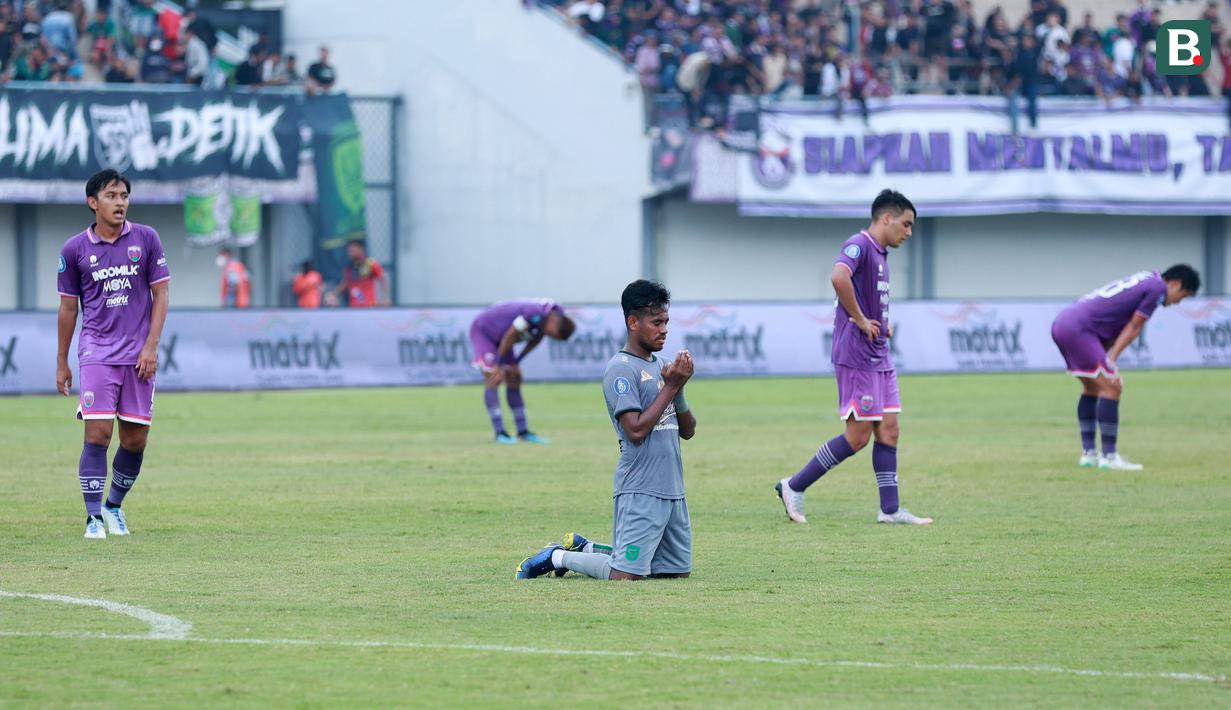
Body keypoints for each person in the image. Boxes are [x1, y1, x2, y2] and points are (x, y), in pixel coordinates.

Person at [516, 280, 697, 580]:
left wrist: (678, 388)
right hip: (640, 488)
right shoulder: (621, 369)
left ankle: (588, 549)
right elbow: (635, 431)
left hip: (673, 490)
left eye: (666, 321)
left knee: (675, 574)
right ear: (633, 322)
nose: (664, 329)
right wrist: (672, 385)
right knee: (624, 575)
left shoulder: (664, 366)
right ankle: (558, 556)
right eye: (656, 322)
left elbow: (688, 431)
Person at [776, 190, 932, 526]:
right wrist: (860, 320)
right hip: (857, 356)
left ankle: (889, 509)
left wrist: (880, 326)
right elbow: (838, 276)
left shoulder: (881, 253)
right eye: (905, 224)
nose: (908, 232)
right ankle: (793, 485)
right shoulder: (859, 244)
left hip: (880, 355)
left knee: (889, 430)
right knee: (859, 436)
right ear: (886, 218)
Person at [56, 169, 170, 540]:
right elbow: (68, 309)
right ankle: (92, 518)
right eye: (111, 195)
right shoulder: (74, 249)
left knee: (135, 439)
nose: (120, 202)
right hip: (97, 352)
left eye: (124, 195)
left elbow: (161, 295)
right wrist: (62, 360)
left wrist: (151, 346)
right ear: (93, 202)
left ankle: (113, 507)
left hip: (138, 355)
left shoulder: (146, 239)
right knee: (99, 432)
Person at [1050, 266, 1200, 471]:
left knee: (1093, 388)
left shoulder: (1147, 278)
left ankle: (1089, 455)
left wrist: (1107, 354)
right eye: (1181, 297)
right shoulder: (1158, 288)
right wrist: (1112, 359)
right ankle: (1109, 456)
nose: (1176, 302)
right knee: (1113, 387)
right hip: (1079, 328)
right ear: (1175, 284)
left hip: (1065, 321)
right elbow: (1135, 326)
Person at [469, 298, 577, 444]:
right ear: (553, 322)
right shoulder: (534, 313)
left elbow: (536, 338)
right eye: (552, 334)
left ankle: (523, 432)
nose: (549, 336)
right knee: (493, 376)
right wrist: (500, 365)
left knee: (514, 378)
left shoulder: (554, 317)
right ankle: (500, 433)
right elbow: (511, 335)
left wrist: (516, 363)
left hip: (504, 338)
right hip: (485, 330)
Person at [330, 239, 389, 307]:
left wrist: (385, 298)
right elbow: (345, 282)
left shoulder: (370, 263)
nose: (350, 253)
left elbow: (382, 279)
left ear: (361, 249)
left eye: (353, 250)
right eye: (349, 251)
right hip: (353, 306)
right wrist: (334, 295)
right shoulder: (349, 266)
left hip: (368, 305)